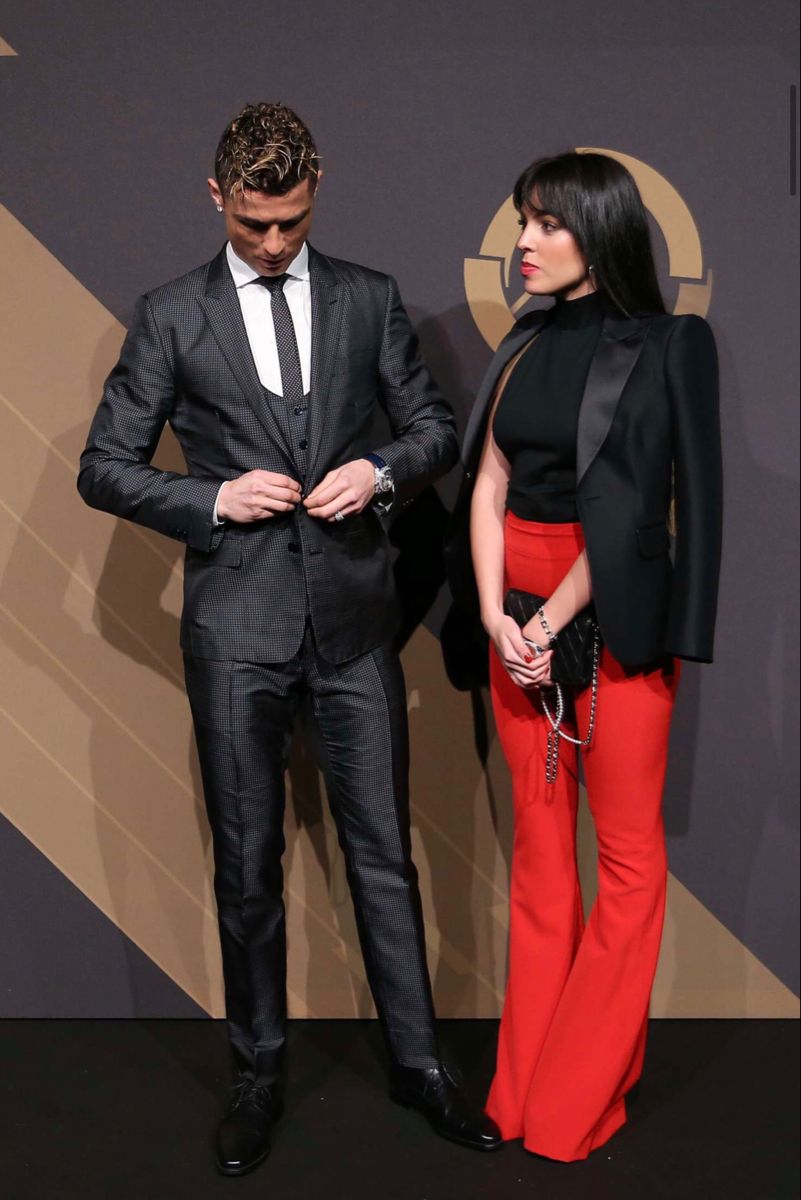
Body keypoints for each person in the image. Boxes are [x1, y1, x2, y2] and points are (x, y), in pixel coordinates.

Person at [78, 102, 501, 1176]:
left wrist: (382, 471)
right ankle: (258, 1075)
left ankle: (419, 1065)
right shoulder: (170, 315)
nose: (274, 243)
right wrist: (212, 500)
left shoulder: (368, 298)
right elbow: (103, 467)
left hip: (357, 625)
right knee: (246, 867)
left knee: (384, 857)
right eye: (254, 223)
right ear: (216, 197)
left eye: (293, 222)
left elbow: (435, 429)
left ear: (317, 194)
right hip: (235, 630)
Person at [453, 151, 722, 1161]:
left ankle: (576, 1092)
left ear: (598, 232)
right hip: (511, 619)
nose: (524, 241)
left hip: (610, 618)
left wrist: (551, 617)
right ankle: (520, 1088)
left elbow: (656, 501)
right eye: (523, 220)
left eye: (546, 223)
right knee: (538, 858)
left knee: (627, 862)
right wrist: (494, 614)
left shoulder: (668, 343)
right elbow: (489, 481)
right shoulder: (521, 343)